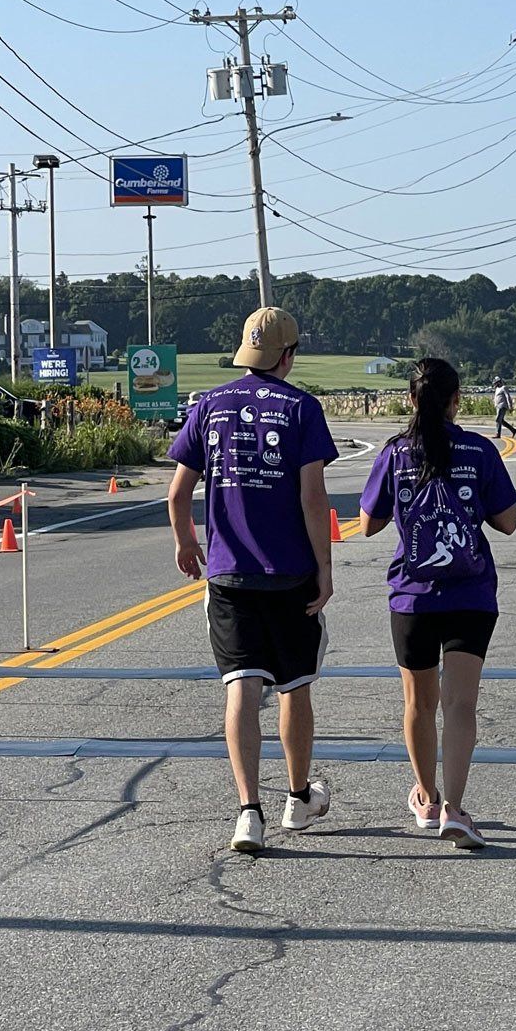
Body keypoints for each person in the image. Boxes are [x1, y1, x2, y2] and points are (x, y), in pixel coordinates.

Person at [167, 307, 338, 852]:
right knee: (293, 687)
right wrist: (325, 568)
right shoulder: (303, 409)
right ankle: (296, 797)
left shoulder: (208, 405)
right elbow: (313, 499)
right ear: (289, 355)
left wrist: (187, 541)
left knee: (240, 687)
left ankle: (248, 812)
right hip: (289, 573)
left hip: (228, 574)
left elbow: (176, 493)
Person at [360, 359, 516, 849]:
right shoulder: (479, 449)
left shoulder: (395, 452)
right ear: (457, 400)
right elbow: (508, 521)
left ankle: (426, 799)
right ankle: (455, 806)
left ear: (411, 400)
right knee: (461, 705)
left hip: (413, 596)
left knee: (419, 702)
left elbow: (367, 522)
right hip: (471, 594)